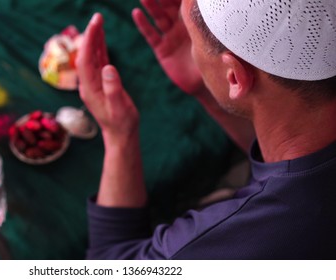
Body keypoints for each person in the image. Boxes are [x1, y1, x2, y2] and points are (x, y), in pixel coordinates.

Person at [75, 0, 336, 259]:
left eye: (192, 41)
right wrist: (208, 89)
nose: (192, 50)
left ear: (234, 76)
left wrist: (118, 135)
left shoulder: (249, 235)